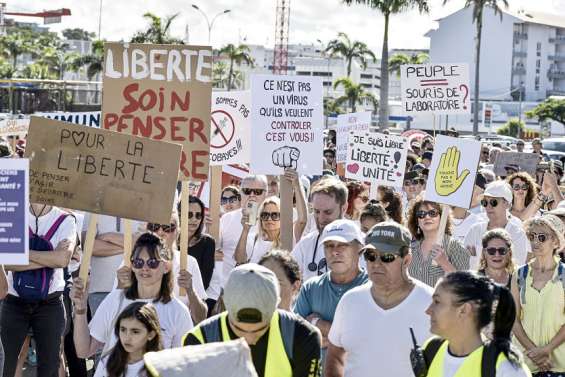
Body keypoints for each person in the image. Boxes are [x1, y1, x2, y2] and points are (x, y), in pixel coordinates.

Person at [325, 222, 433, 377]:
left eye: (387, 257)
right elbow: (335, 354)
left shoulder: (431, 303)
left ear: (407, 260)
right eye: (370, 256)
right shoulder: (350, 301)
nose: (376, 264)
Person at [183, 264, 322, 377]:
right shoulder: (198, 341)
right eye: (239, 329)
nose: (249, 338)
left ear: (276, 306)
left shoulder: (303, 336)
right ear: (225, 305)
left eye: (260, 328)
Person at [72, 233, 193, 359]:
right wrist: (80, 308)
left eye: (152, 262)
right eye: (138, 262)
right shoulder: (115, 299)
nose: (144, 268)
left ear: (166, 267)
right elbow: (84, 351)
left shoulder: (178, 311)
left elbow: (185, 363)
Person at [1, 203, 76, 377]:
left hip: (50, 302)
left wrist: (22, 252)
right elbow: (5, 261)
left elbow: (63, 259)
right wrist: (49, 257)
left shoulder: (66, 219)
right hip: (14, 301)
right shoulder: (13, 214)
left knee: (50, 366)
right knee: (6, 364)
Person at [424, 271, 530, 377]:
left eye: (437, 302)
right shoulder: (431, 349)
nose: (428, 310)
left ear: (464, 310)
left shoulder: (507, 369)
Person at [294, 220, 367, 359]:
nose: (335, 251)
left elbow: (366, 340)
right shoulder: (311, 288)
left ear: (359, 249)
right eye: (329, 246)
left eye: (342, 245)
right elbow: (295, 336)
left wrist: (317, 324)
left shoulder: (372, 287)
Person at [511, 216, 565, 375]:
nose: (535, 242)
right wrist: (536, 353)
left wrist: (546, 350)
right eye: (531, 236)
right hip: (525, 363)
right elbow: (514, 320)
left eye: (542, 237)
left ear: (556, 242)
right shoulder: (519, 274)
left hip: (559, 364)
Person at [235, 170, 307, 265]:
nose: (269, 219)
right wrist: (245, 230)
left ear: (283, 217)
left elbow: (302, 220)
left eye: (275, 215)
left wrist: (297, 185)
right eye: (265, 215)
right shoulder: (254, 238)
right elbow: (240, 259)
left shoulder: (290, 235)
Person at [83, 214, 143, 316]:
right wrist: (131, 246)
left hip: (136, 289)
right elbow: (90, 246)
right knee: (102, 331)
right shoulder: (94, 209)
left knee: (134, 330)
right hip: (101, 291)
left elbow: (145, 244)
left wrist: (108, 236)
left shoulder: (140, 205)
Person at [292, 176, 348, 281]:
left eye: (328, 212)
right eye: (317, 212)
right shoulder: (306, 245)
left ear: (344, 208)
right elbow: (286, 275)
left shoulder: (360, 245)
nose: (321, 219)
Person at [464, 181, 531, 269]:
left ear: (506, 204)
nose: (488, 207)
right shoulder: (475, 230)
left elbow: (517, 267)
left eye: (493, 202)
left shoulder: (517, 234)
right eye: (485, 202)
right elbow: (464, 261)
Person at [406, 198, 469, 287]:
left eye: (432, 213)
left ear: (442, 217)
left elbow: (465, 285)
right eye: (421, 214)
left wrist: (444, 263)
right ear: (416, 221)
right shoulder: (411, 248)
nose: (427, 217)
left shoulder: (454, 246)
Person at [218, 175, 268, 284]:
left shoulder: (272, 220)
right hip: (229, 288)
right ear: (240, 193)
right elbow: (214, 248)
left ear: (266, 194)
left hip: (260, 289)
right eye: (247, 191)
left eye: (258, 192)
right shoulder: (227, 218)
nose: (252, 195)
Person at [94, 302, 162, 377]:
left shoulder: (162, 366)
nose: (127, 337)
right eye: (123, 330)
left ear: (151, 334)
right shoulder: (108, 360)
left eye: (135, 332)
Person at [178, 196, 219, 313]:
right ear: (179, 215)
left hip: (196, 299)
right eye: (189, 214)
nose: (194, 219)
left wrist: (190, 295)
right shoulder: (170, 239)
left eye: (198, 215)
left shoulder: (207, 242)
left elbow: (205, 280)